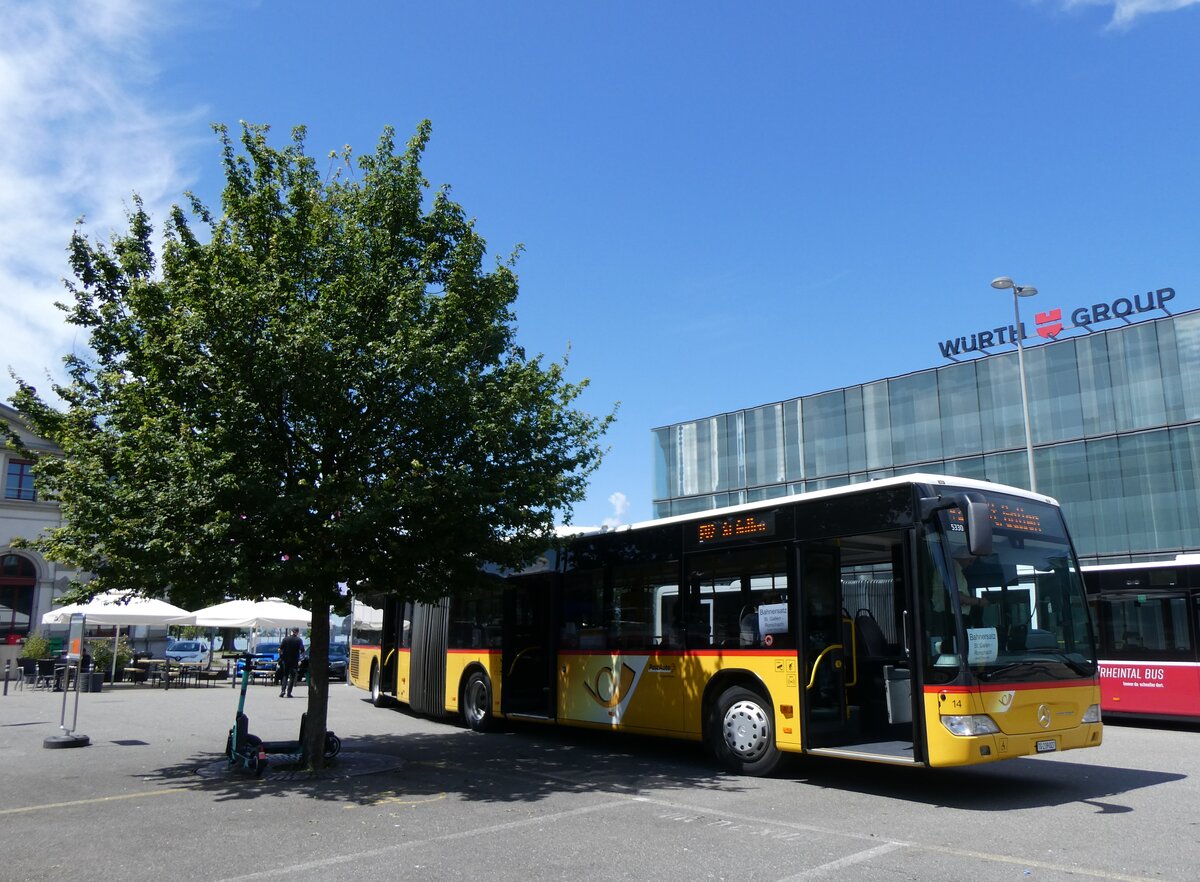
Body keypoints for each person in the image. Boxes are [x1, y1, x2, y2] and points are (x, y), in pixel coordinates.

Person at [278, 628, 304, 698]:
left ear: (291, 631)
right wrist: (300, 660)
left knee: (285, 675)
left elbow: (280, 649)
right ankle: (289, 692)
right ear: (297, 632)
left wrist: (281, 656)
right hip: (294, 661)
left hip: (285, 660)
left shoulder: (285, 639)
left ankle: (283, 691)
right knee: (292, 676)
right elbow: (302, 650)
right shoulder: (299, 640)